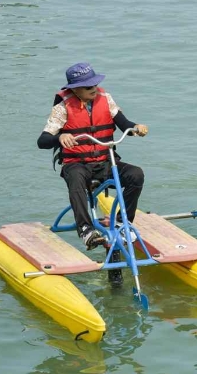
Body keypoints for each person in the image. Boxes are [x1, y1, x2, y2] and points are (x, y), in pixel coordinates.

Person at [37, 62, 148, 251]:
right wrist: (60, 137)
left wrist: (137, 128)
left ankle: (123, 223)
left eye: (95, 84)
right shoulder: (62, 107)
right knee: (76, 179)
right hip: (77, 164)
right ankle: (86, 229)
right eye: (88, 87)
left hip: (106, 162)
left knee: (136, 175)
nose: (93, 89)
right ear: (75, 89)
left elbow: (124, 124)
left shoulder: (106, 98)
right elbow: (43, 140)